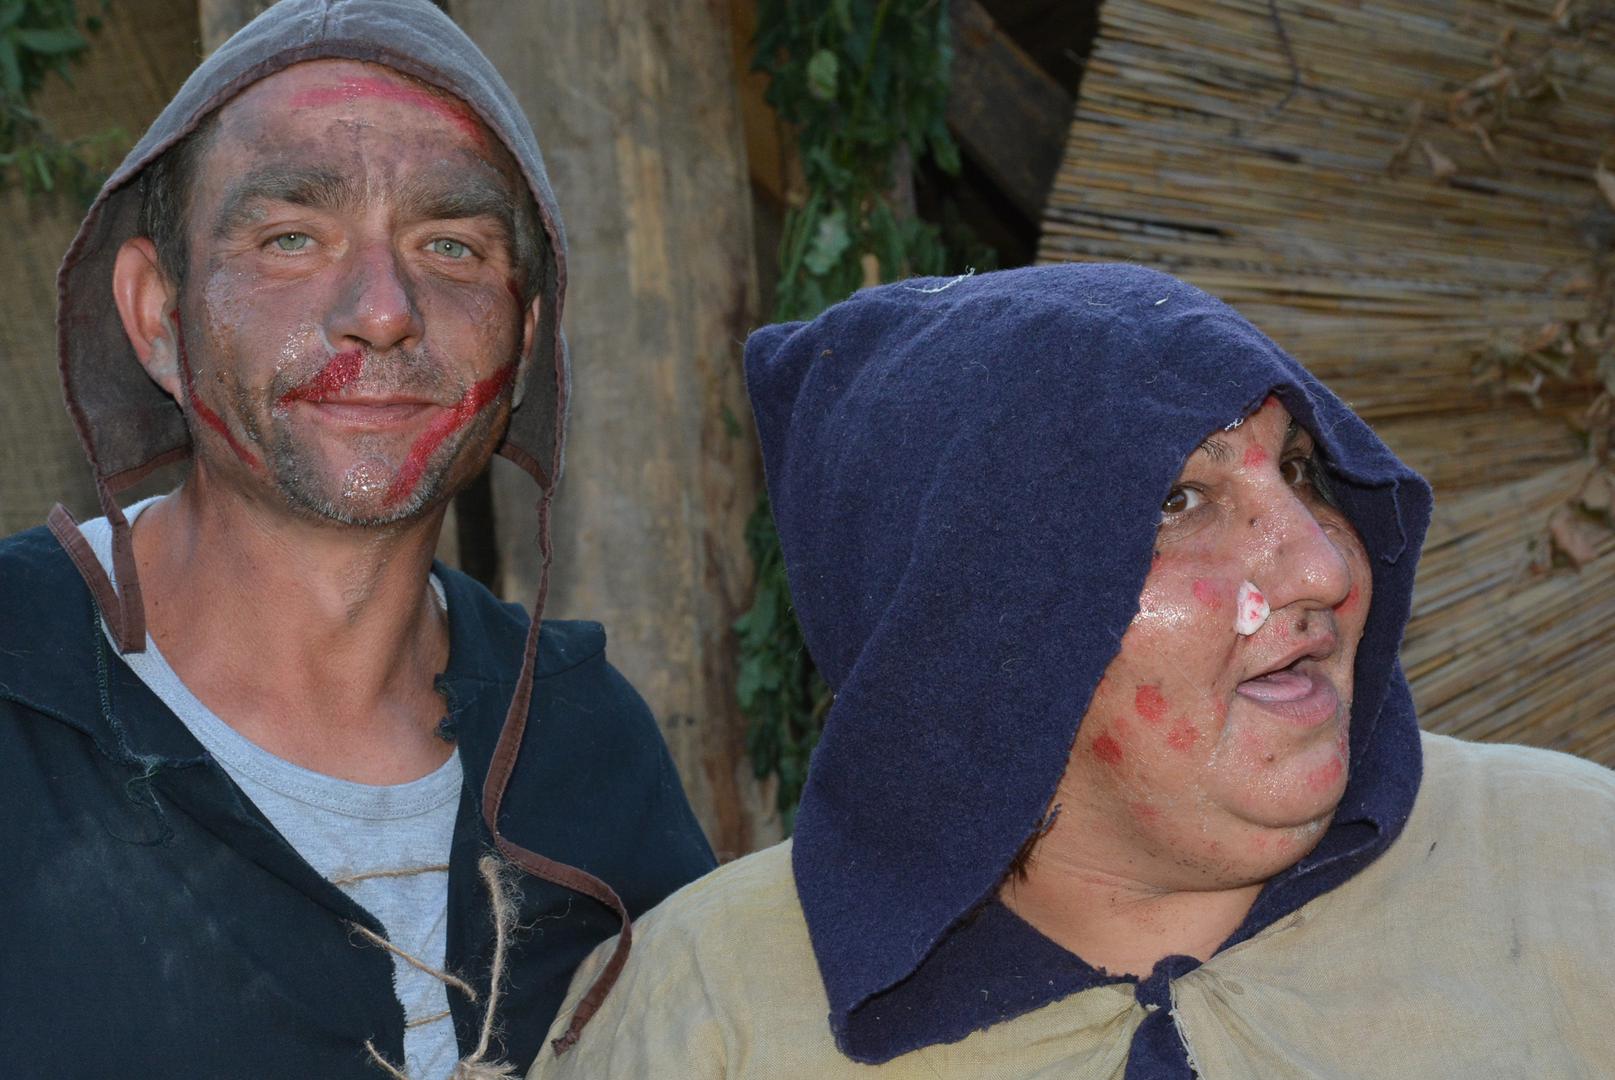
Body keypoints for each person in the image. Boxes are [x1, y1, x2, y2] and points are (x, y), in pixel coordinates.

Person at [529, 264, 1615, 1079]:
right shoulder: (700, 1014)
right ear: (967, 625)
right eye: (1177, 500)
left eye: (1298, 471)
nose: (1324, 568)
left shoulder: (1573, 872)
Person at [0, 1, 715, 1075]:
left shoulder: (588, 746)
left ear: (524, 341)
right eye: (290, 239)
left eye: (451, 246)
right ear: (156, 315)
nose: (383, 311)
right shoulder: (20, 686)